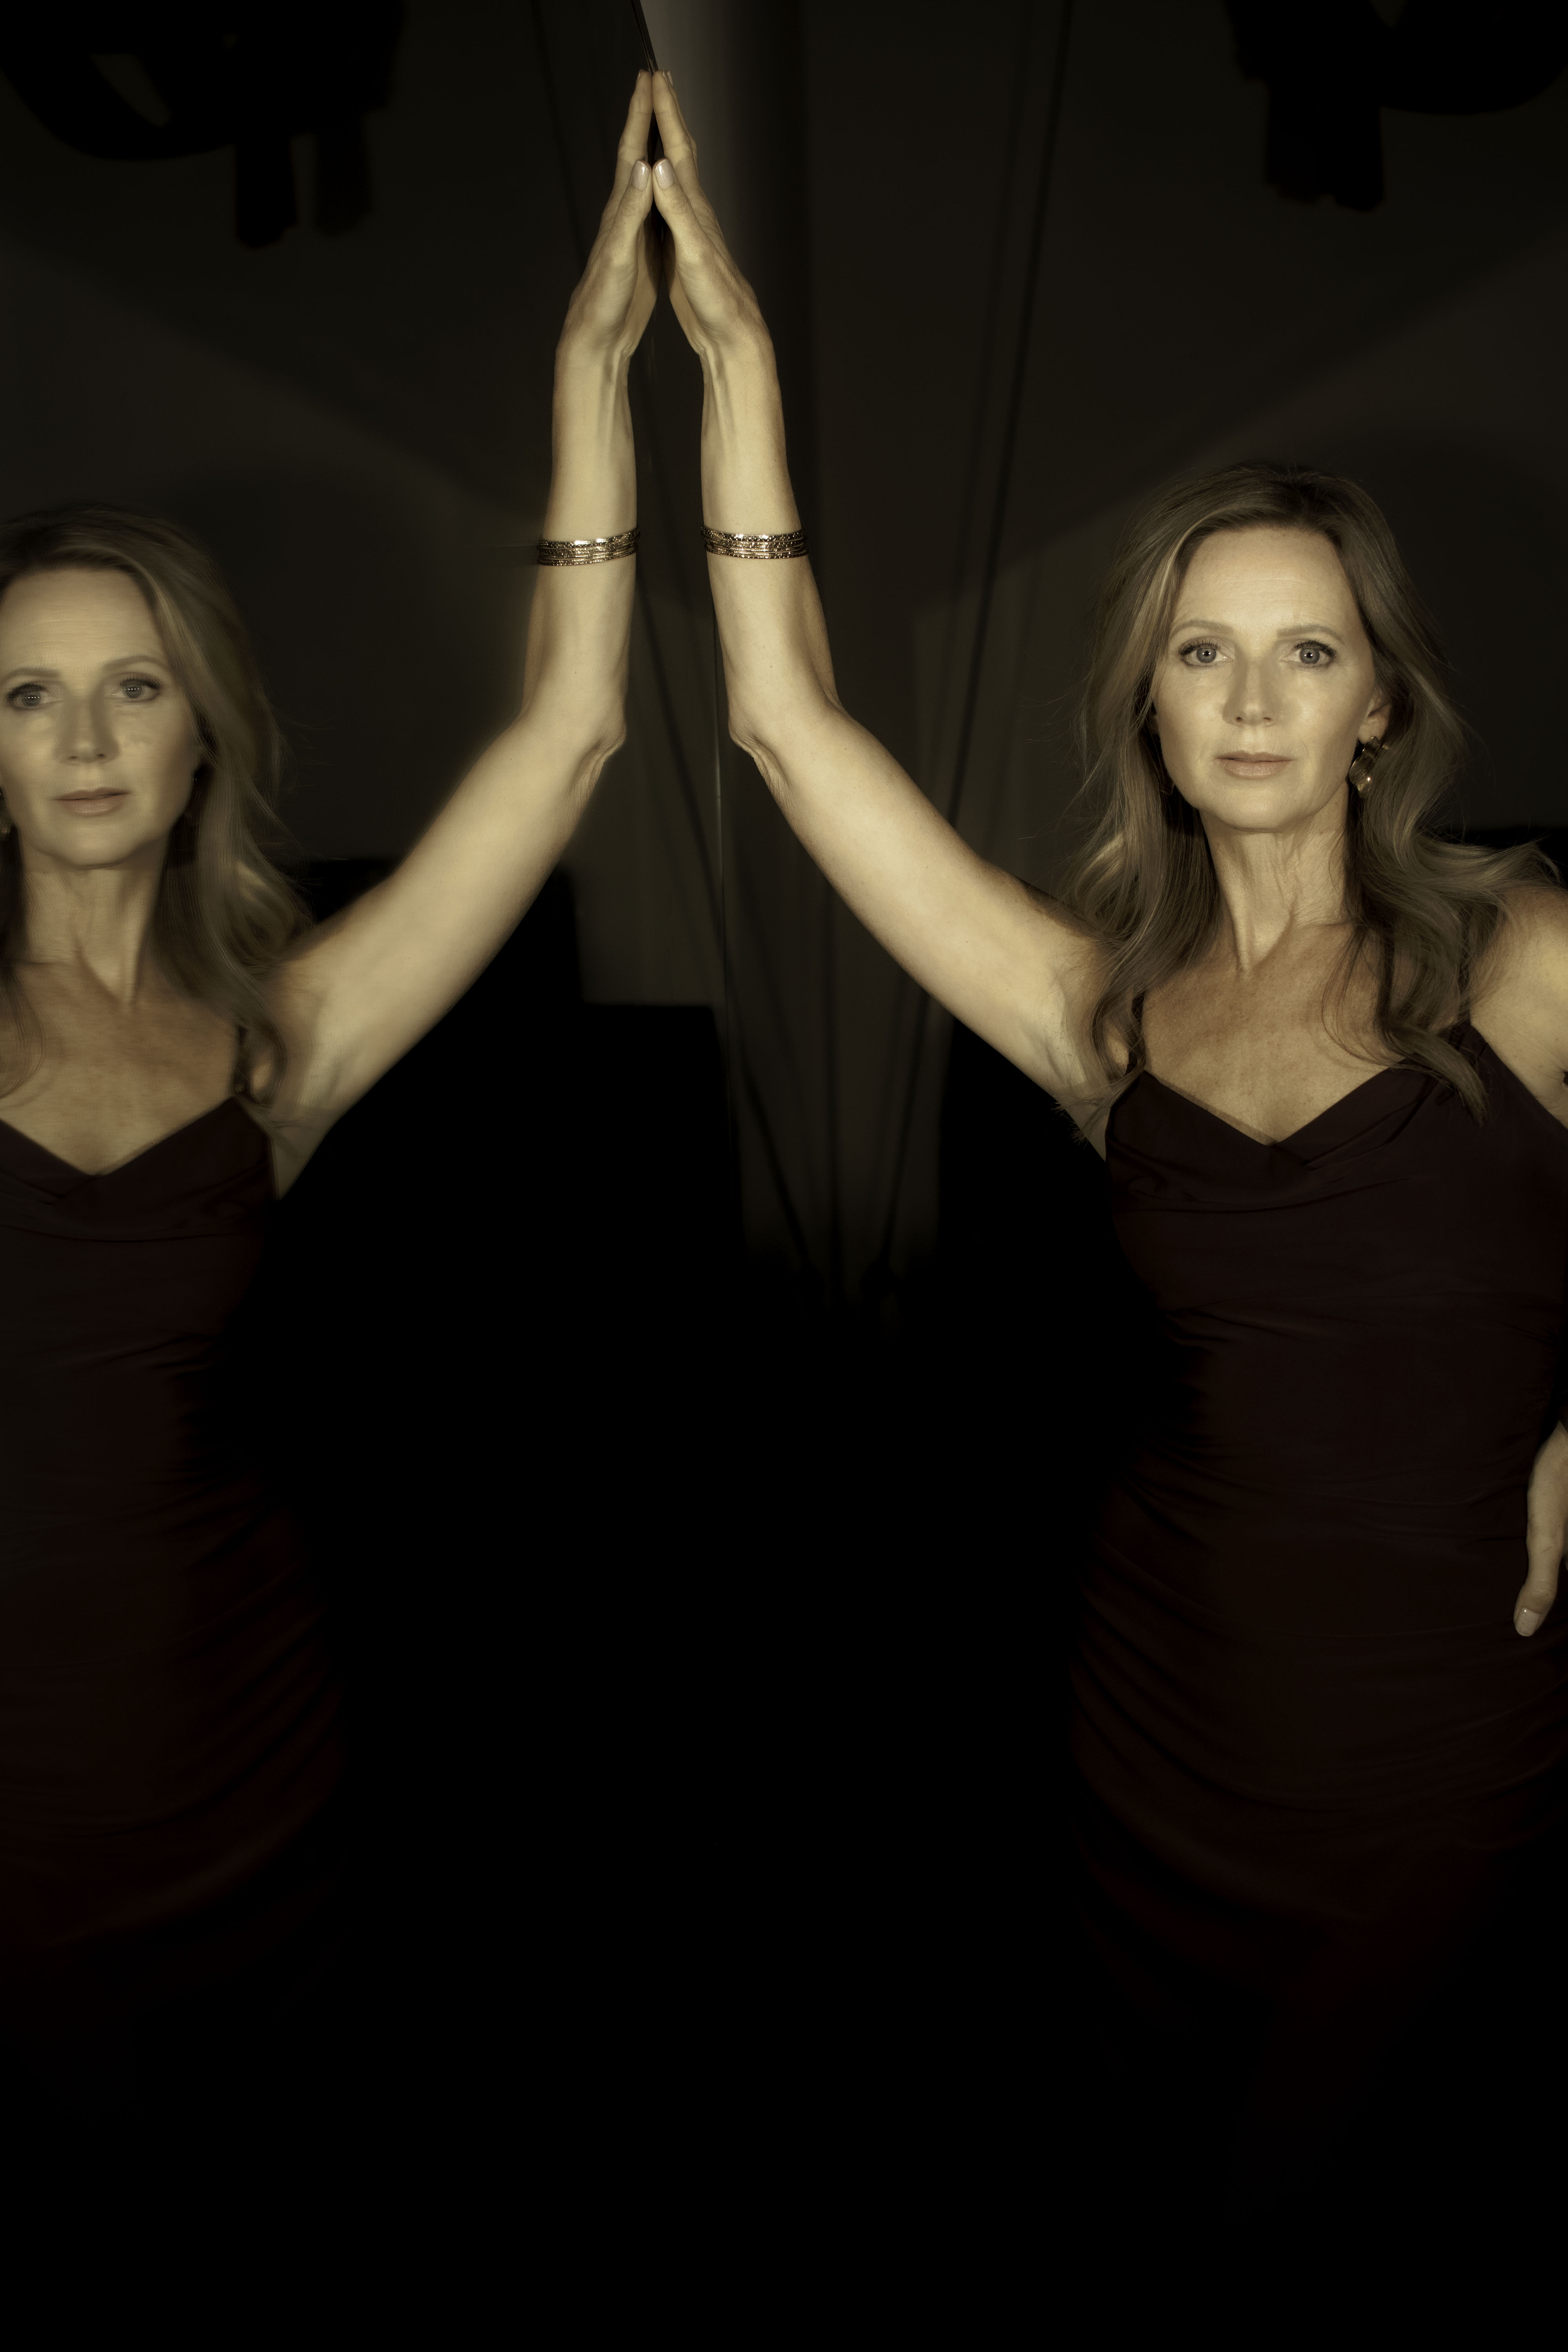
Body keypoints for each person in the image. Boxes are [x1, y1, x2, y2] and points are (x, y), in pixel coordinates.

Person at [636, 73, 1568, 2232]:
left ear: (1379, 711)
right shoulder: (1105, 1019)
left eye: (1306, 652)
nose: (1249, 698)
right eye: (1200, 652)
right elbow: (789, 731)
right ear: (1152, 700)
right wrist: (740, 375)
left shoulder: (1520, 953)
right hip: (1155, 1729)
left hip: (1437, 1743)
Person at [0, 76, 667, 2189]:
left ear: (201, 729)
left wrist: (592, 377)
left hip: (255, 1758)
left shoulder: (275, 1044)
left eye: (132, 687)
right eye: (25, 694)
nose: (83, 737)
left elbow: (567, 740)